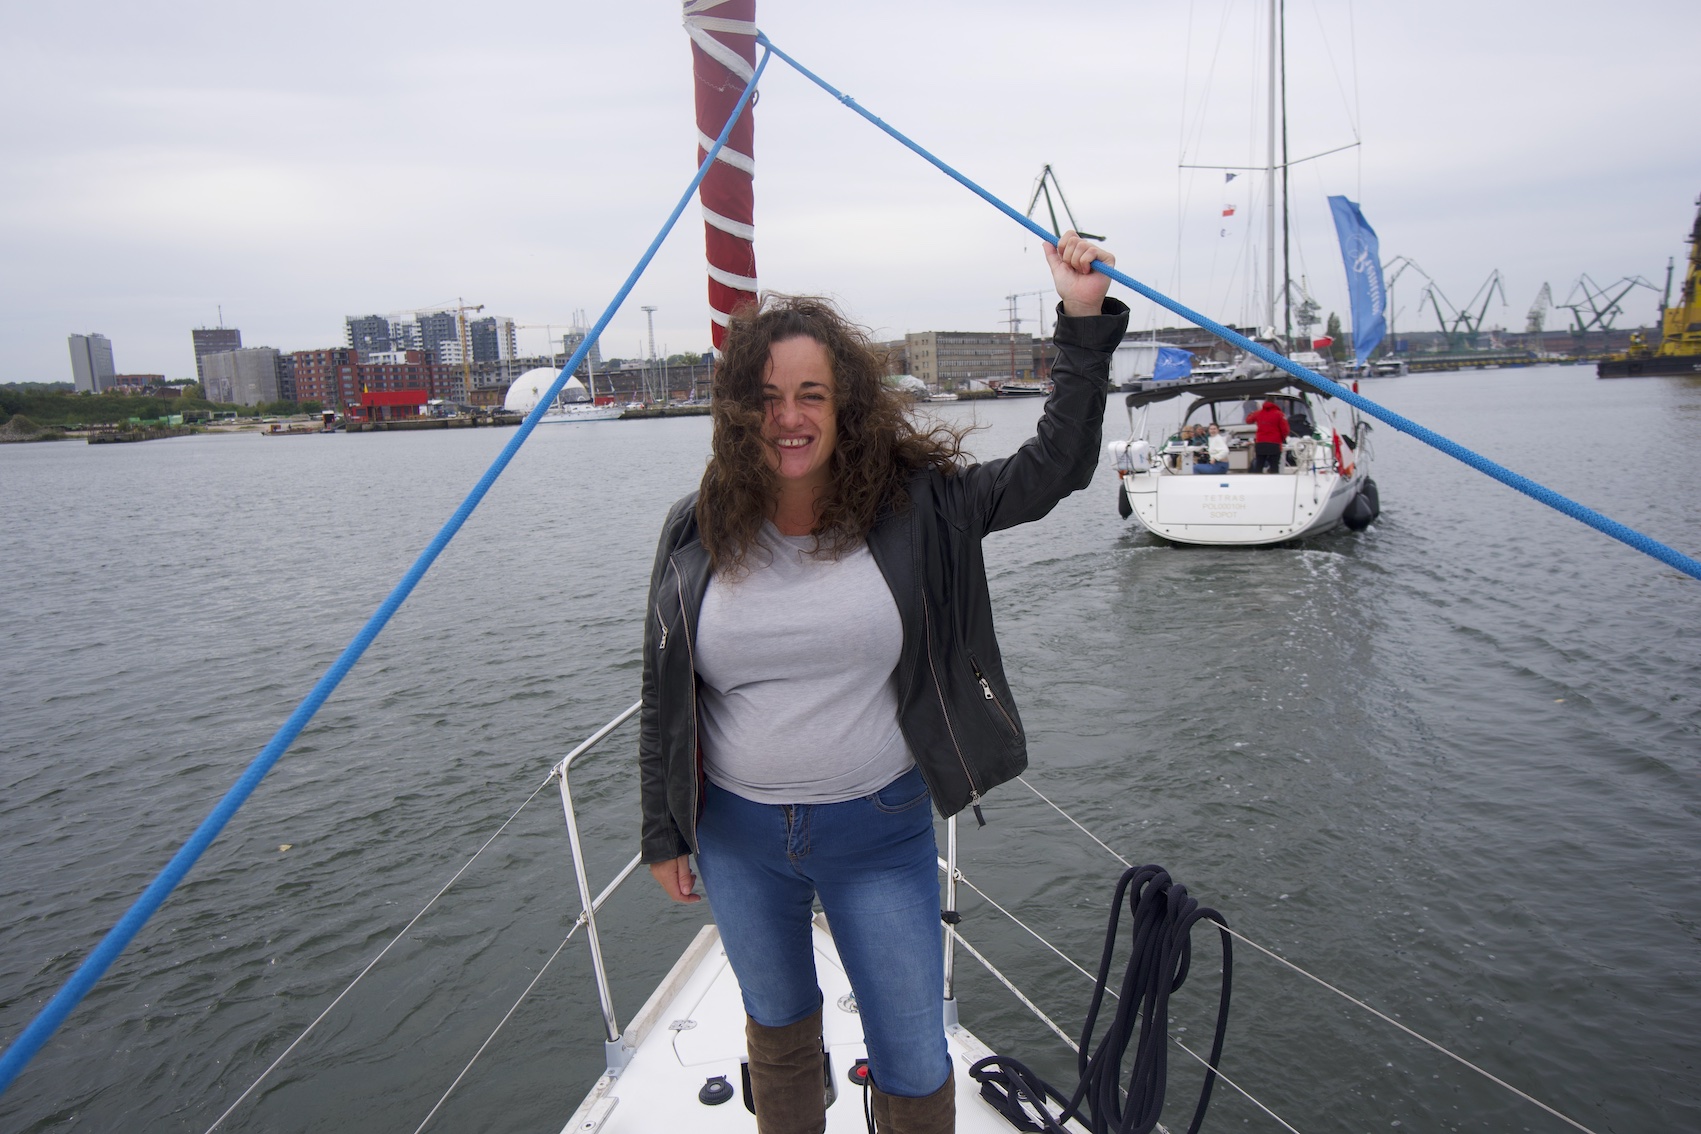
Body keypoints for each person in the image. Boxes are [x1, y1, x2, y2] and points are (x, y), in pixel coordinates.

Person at [639, 232, 1128, 1134]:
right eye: (768, 397)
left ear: (845, 405)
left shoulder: (922, 510)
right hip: (736, 839)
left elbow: (1055, 467)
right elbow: (665, 690)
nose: (790, 417)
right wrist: (664, 829)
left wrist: (1082, 318)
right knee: (777, 1033)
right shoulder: (694, 526)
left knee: (911, 1055)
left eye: (811, 395)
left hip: (877, 834)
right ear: (739, 412)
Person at [1247, 398, 1289, 473]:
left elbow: (1248, 420)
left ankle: (1257, 481)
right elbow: (1285, 430)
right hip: (1274, 443)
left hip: (1261, 443)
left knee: (1259, 465)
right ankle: (1274, 482)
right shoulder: (1279, 414)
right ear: (1275, 403)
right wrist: (1282, 439)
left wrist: (1253, 412)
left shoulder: (1258, 413)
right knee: (1274, 465)